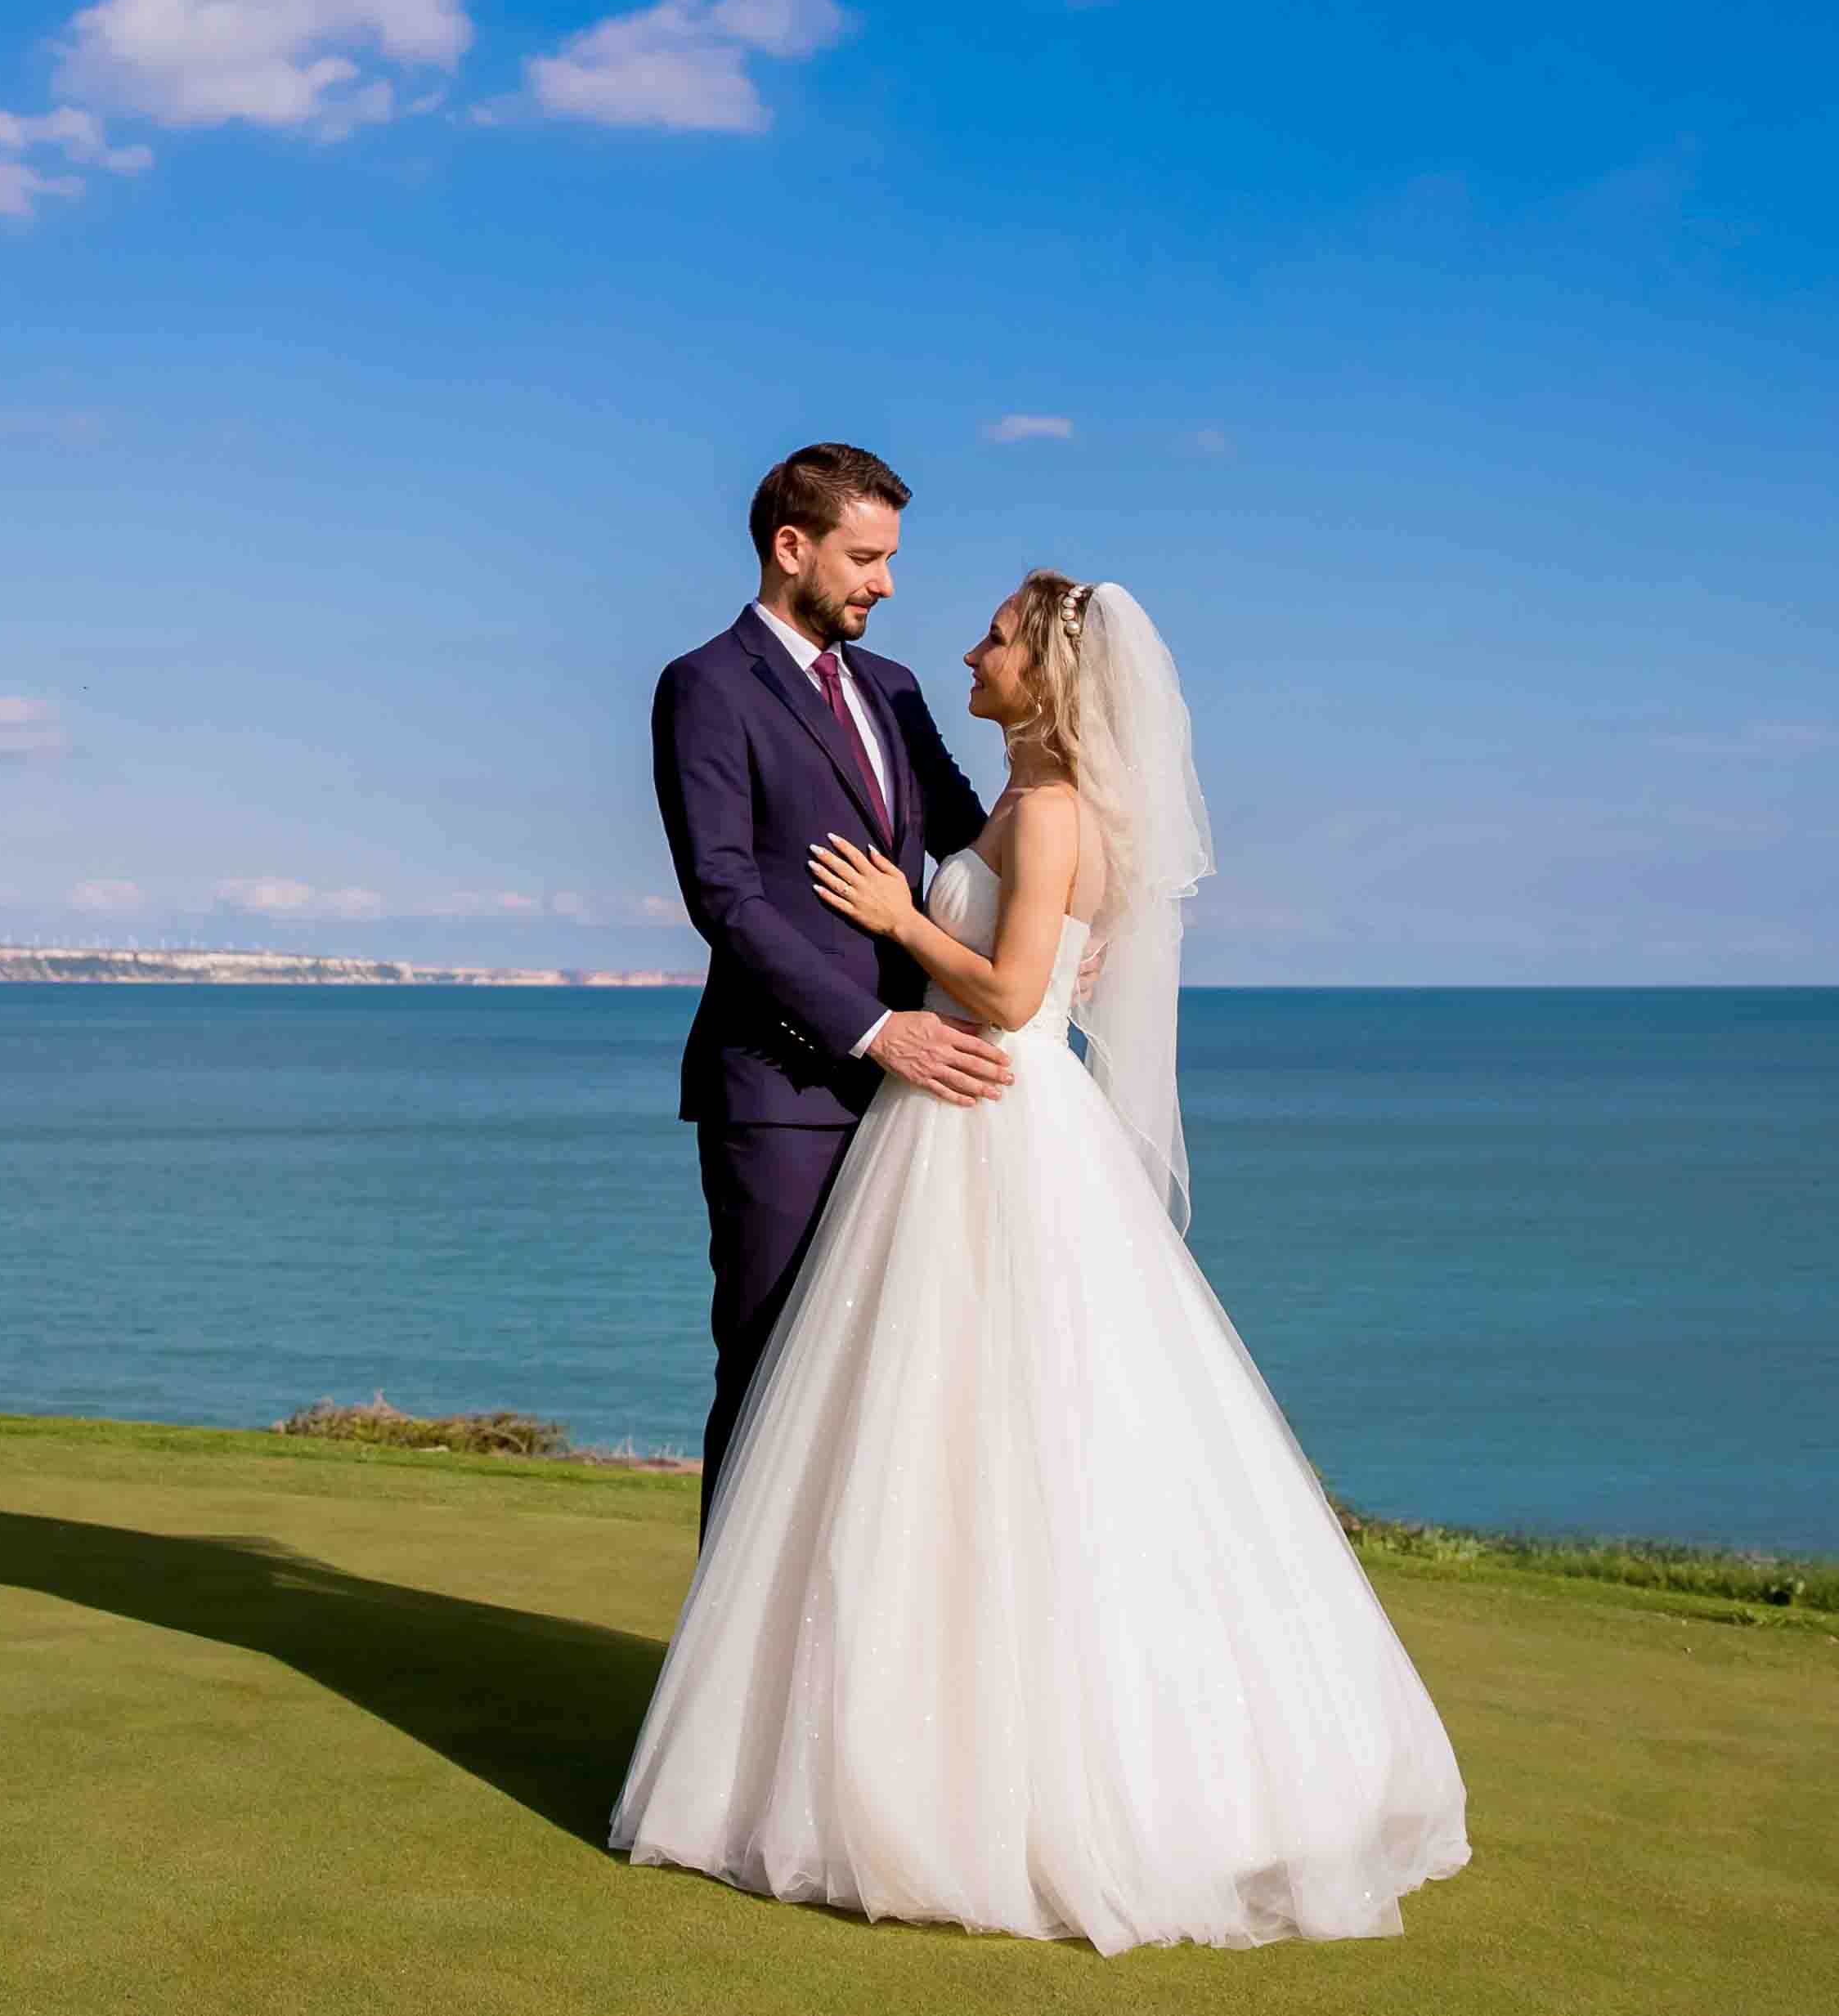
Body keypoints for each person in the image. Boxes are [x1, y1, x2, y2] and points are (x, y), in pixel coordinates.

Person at [613, 566, 1473, 1951]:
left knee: (1016, 1427)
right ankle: (854, 1731)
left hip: (989, 1115)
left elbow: (1015, 988)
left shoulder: (1052, 803)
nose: (966, 644)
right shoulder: (1014, 796)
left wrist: (902, 919)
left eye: (998, 636)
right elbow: (997, 909)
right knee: (908, 1424)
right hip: (935, 1116)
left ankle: (1020, 1769)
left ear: (1047, 671)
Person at [647, 442, 1011, 1521]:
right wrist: (874, 1030)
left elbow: (973, 841)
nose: (886, 584)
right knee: (769, 1377)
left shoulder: (895, 689)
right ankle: (730, 1642)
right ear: (790, 546)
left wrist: (1071, 910)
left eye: (890, 558)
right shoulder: (705, 686)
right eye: (866, 557)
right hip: (783, 1093)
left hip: (921, 1104)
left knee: (887, 1390)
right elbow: (726, 898)